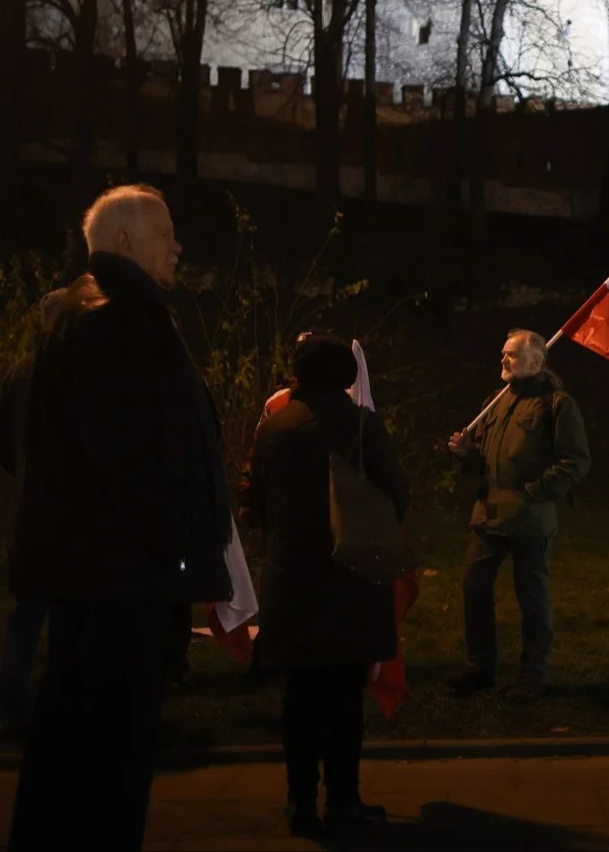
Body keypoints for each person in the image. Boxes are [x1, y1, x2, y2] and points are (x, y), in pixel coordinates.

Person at [6, 184, 233, 852]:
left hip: (96, 571)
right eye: (165, 233)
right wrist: (175, 540)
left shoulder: (86, 313)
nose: (178, 245)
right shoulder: (118, 320)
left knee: (69, 745)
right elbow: (130, 456)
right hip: (121, 577)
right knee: (109, 756)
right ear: (126, 242)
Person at [244, 331, 410, 840]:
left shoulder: (274, 429)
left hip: (293, 580)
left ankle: (299, 803)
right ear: (345, 376)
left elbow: (255, 504)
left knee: (300, 698)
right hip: (350, 580)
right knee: (342, 697)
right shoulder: (362, 424)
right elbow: (396, 496)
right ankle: (343, 800)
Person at [445, 329, 591, 703]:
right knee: (474, 589)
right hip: (487, 515)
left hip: (529, 520)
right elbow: (486, 460)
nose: (504, 361)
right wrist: (466, 454)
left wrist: (534, 493)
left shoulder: (557, 405)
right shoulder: (496, 402)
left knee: (532, 598)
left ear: (536, 362)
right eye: (503, 354)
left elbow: (574, 461)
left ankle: (532, 675)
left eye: (512, 355)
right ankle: (480, 666)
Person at [0, 289, 66, 740]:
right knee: (69, 615)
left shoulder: (17, 373)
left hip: (29, 508)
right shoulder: (71, 372)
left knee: (26, 614)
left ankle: (11, 706)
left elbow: (3, 447)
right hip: (69, 511)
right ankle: (61, 707)